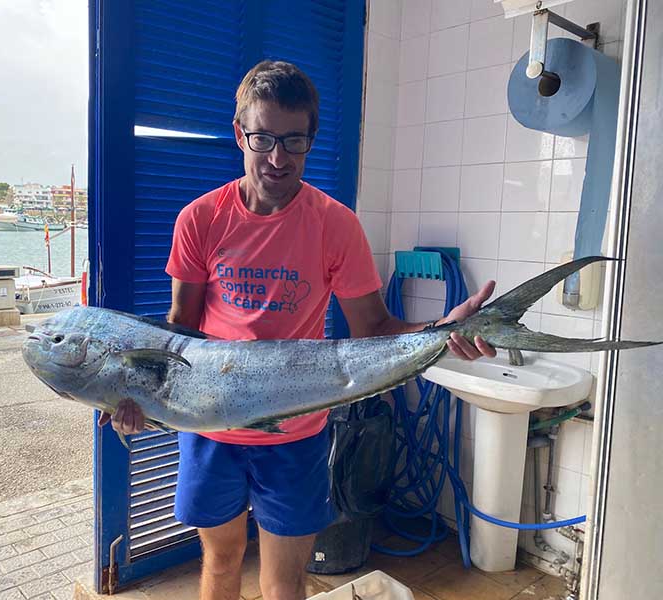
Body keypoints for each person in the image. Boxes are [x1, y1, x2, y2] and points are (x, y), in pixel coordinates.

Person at [101, 60, 496, 600]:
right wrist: (133, 396)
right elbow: (179, 335)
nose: (278, 158)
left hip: (297, 432)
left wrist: (442, 330)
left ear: (311, 139)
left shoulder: (336, 224)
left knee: (285, 582)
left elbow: (374, 328)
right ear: (240, 133)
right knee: (220, 561)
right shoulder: (200, 219)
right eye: (263, 138)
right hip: (211, 429)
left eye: (294, 141)